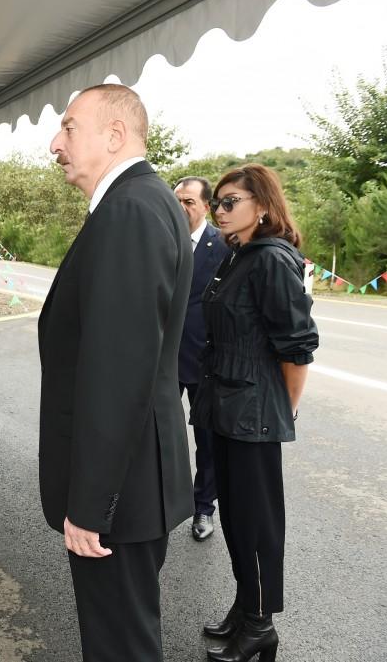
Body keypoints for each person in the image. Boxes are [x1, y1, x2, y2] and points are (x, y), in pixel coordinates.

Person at [38, 84, 194, 662]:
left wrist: (90, 505)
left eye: (69, 127)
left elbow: (118, 371)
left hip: (121, 494)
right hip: (131, 484)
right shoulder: (142, 202)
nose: (56, 144)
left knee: (120, 646)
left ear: (114, 135)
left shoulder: (129, 209)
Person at [191, 164, 318, 662]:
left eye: (230, 202)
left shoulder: (272, 260)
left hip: (254, 416)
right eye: (217, 203)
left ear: (261, 206)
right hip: (226, 408)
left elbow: (298, 348)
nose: (219, 211)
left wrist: (282, 411)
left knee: (257, 524)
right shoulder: (238, 255)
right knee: (237, 520)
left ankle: (261, 625)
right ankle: (247, 609)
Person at [174, 177, 230, 540]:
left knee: (207, 439)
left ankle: (204, 508)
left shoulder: (223, 245)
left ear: (206, 206)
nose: (181, 207)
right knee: (156, 433)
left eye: (189, 202)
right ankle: (156, 503)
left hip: (205, 360)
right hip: (163, 357)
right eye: (176, 200)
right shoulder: (161, 238)